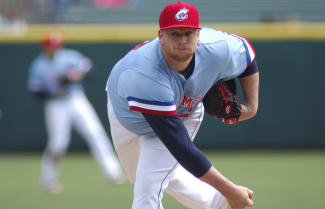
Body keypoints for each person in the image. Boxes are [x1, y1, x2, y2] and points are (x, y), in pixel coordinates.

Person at [106, 2, 259, 209]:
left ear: (199, 34)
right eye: (175, 34)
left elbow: (247, 55)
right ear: (160, 36)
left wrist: (251, 106)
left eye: (188, 33)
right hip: (125, 111)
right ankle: (215, 202)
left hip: (185, 113)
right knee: (142, 175)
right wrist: (230, 191)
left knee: (148, 185)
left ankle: (217, 200)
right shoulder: (145, 74)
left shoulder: (217, 48)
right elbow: (181, 148)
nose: (183, 40)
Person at [27, 33, 125, 194]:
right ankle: (49, 179)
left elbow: (91, 71)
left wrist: (77, 75)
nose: (54, 49)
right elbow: (35, 91)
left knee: (95, 133)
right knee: (58, 144)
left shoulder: (68, 56)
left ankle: (113, 172)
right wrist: (54, 87)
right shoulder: (38, 65)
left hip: (75, 99)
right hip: (55, 104)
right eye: (51, 46)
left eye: (56, 46)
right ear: (44, 48)